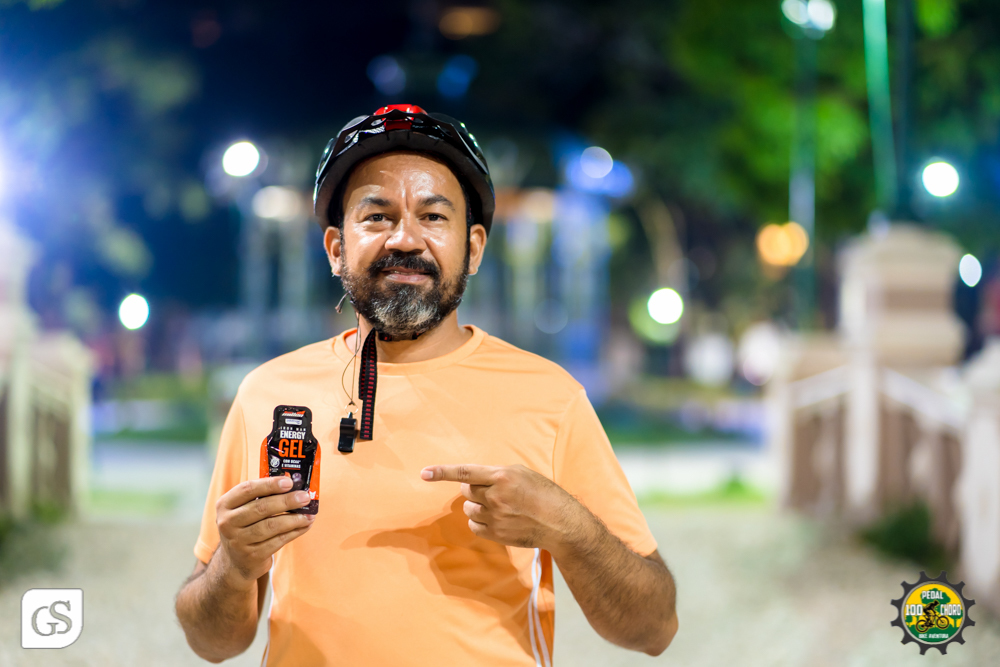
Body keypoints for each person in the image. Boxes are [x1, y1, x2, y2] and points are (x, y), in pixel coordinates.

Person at [175, 104, 678, 666]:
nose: (405, 240)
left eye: (435, 217)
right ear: (336, 249)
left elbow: (652, 628)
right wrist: (234, 567)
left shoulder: (550, 397)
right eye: (377, 216)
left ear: (476, 247)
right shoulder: (268, 395)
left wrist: (570, 529)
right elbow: (212, 642)